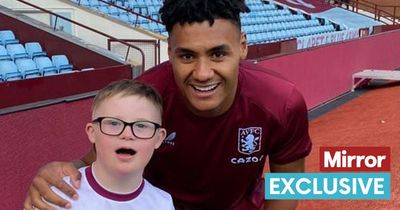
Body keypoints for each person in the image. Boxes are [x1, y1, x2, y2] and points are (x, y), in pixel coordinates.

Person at [24, 0, 312, 209]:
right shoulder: (143, 99)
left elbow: (287, 185)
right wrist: (57, 173)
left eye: (217, 54)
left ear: (242, 47)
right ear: (170, 53)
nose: (202, 73)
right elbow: (92, 164)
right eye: (186, 56)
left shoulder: (281, 102)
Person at [47, 79, 174, 209]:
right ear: (92, 132)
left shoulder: (163, 203)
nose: (127, 135)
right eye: (114, 123)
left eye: (141, 125)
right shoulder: (57, 196)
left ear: (159, 138)